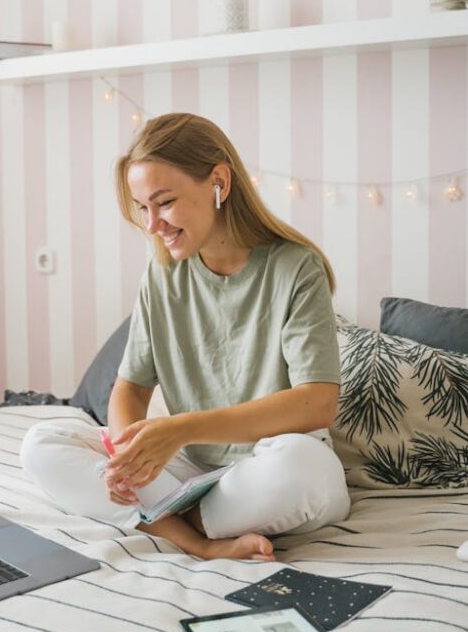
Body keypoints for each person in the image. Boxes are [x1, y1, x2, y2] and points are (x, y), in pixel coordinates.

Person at [21, 112, 350, 561]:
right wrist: (128, 459)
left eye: (165, 202)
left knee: (301, 469)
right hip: (191, 473)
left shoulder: (296, 268)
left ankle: (172, 517)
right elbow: (131, 389)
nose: (153, 224)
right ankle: (195, 539)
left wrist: (179, 430)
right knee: (42, 443)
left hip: (270, 465)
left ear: (218, 181)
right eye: (143, 208)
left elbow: (318, 401)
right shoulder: (161, 275)